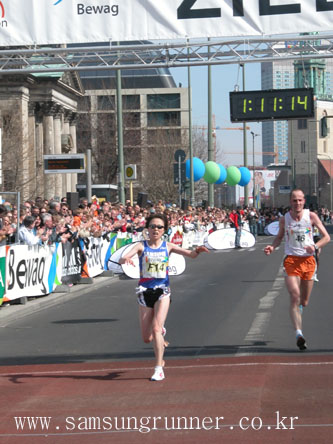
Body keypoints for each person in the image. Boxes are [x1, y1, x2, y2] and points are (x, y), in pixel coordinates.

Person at [119, 213, 209, 381]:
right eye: (152, 226)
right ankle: (160, 332)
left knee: (156, 329)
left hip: (162, 291)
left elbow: (191, 254)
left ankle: (159, 367)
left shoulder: (168, 246)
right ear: (147, 229)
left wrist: (198, 250)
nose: (155, 229)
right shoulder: (141, 246)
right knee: (147, 338)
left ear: (164, 230)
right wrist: (127, 260)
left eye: (159, 227)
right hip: (144, 292)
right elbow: (124, 257)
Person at [264, 189, 330, 351]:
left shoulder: (312, 216)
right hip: (291, 260)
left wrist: (314, 246)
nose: (297, 203)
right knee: (294, 295)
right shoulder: (284, 219)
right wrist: (272, 247)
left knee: (304, 301)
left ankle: (299, 309)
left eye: (300, 200)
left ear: (304, 201)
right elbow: (279, 237)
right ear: (290, 202)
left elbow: (326, 237)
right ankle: (298, 334)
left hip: (309, 261)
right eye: (294, 200)